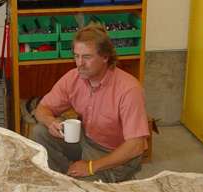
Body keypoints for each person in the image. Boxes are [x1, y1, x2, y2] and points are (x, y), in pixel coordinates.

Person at [32, 23, 150, 183]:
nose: (79, 63)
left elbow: (136, 145)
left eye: (87, 57)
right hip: (88, 141)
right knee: (40, 131)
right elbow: (42, 109)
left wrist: (91, 166)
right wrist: (51, 121)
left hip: (119, 154)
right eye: (76, 56)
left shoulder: (129, 89)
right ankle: (70, 175)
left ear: (105, 57)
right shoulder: (73, 77)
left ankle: (80, 178)